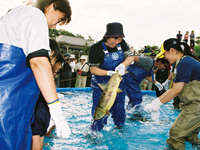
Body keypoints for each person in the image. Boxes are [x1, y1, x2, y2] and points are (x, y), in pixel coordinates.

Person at [0, 0, 72, 149]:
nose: (54, 26)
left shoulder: (13, 15)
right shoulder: (34, 15)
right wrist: (55, 107)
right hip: (9, 103)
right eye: (58, 20)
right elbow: (38, 62)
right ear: (51, 6)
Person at [145, 38, 200, 149]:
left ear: (172, 50)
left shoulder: (185, 63)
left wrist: (157, 104)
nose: (164, 57)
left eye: (164, 54)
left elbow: (176, 90)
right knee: (190, 135)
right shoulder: (184, 61)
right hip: (193, 105)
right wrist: (157, 101)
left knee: (175, 135)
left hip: (196, 106)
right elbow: (173, 89)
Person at [89, 22, 135, 131]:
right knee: (100, 110)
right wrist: (108, 73)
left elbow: (131, 57)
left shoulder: (121, 44)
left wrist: (122, 65)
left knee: (119, 110)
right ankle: (95, 132)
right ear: (107, 36)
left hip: (118, 83)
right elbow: (93, 69)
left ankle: (120, 129)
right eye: (115, 39)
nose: (117, 42)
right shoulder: (95, 48)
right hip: (101, 84)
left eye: (119, 39)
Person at [32, 40, 65, 150]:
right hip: (39, 113)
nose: (53, 63)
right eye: (55, 59)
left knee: (39, 135)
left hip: (42, 114)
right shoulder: (39, 74)